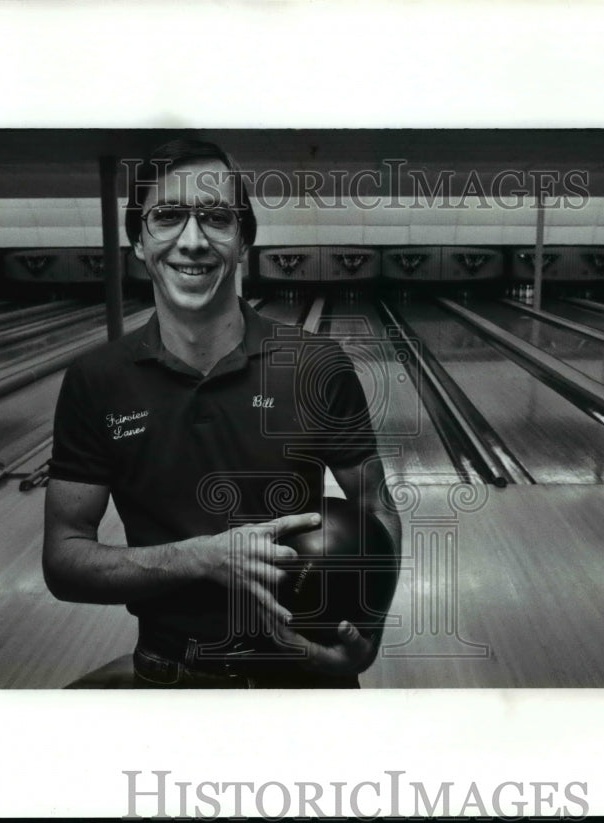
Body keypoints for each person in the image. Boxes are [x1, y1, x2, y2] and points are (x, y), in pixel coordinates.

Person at [43, 138, 401, 688]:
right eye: (167, 216)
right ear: (138, 239)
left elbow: (375, 506)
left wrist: (367, 639)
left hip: (303, 677)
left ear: (243, 241)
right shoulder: (97, 381)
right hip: (170, 674)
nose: (192, 240)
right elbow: (64, 559)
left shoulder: (315, 365)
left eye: (216, 217)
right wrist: (202, 557)